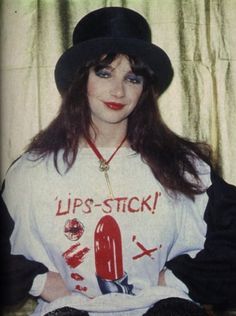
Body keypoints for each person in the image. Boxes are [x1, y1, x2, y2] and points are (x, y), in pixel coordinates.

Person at [0, 6, 236, 316]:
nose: (119, 90)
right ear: (80, 79)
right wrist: (38, 281)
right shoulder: (32, 170)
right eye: (104, 72)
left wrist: (180, 279)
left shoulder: (184, 165)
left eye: (133, 78)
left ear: (144, 89)